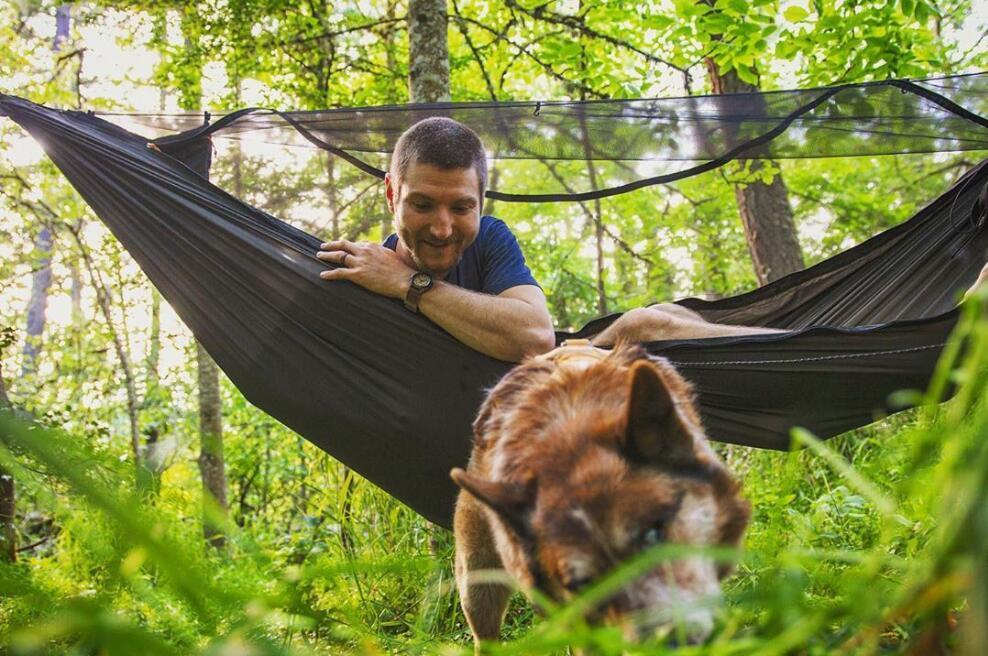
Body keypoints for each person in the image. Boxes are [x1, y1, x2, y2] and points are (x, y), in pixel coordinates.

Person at [315, 117, 788, 361]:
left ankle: (814, 353)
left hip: (550, 382)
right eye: (422, 205)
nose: (442, 228)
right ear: (392, 193)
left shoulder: (490, 238)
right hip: (501, 421)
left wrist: (410, 285)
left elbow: (535, 335)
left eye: (462, 207)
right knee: (647, 327)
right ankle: (804, 355)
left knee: (664, 315)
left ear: (482, 199)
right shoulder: (363, 278)